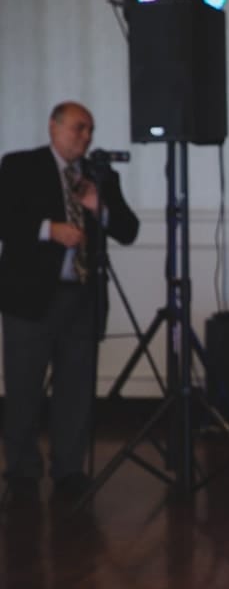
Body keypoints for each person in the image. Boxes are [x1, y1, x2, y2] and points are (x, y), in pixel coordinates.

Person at [0, 101, 140, 505]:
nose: (85, 137)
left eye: (90, 130)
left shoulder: (98, 175)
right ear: (54, 127)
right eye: (79, 128)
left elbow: (129, 230)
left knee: (75, 390)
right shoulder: (20, 166)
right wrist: (49, 230)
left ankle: (69, 470)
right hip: (30, 299)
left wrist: (101, 207)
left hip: (81, 298)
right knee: (24, 387)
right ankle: (22, 471)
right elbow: (4, 217)